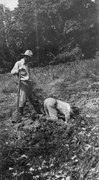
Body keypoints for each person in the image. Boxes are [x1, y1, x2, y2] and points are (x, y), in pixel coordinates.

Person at [11, 50, 42, 121]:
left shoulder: (27, 64)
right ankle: (19, 115)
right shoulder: (19, 63)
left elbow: (28, 74)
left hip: (29, 83)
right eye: (28, 57)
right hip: (23, 83)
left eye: (30, 58)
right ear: (25, 57)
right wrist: (18, 70)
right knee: (23, 100)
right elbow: (12, 72)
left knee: (33, 98)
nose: (29, 59)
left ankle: (38, 113)